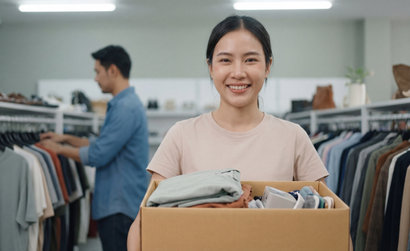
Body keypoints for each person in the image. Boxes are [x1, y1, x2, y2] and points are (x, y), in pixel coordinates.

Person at [127, 15, 329, 250]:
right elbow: (145, 222)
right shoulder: (181, 135)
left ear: (268, 66)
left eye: (250, 60)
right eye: (225, 60)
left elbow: (328, 218)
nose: (238, 72)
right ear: (211, 67)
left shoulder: (293, 137)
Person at [40, 45, 149, 251]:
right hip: (118, 205)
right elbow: (103, 143)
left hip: (119, 207)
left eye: (98, 72)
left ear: (113, 71)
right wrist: (67, 139)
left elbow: (99, 154)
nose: (96, 79)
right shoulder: (123, 104)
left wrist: (57, 149)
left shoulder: (126, 108)